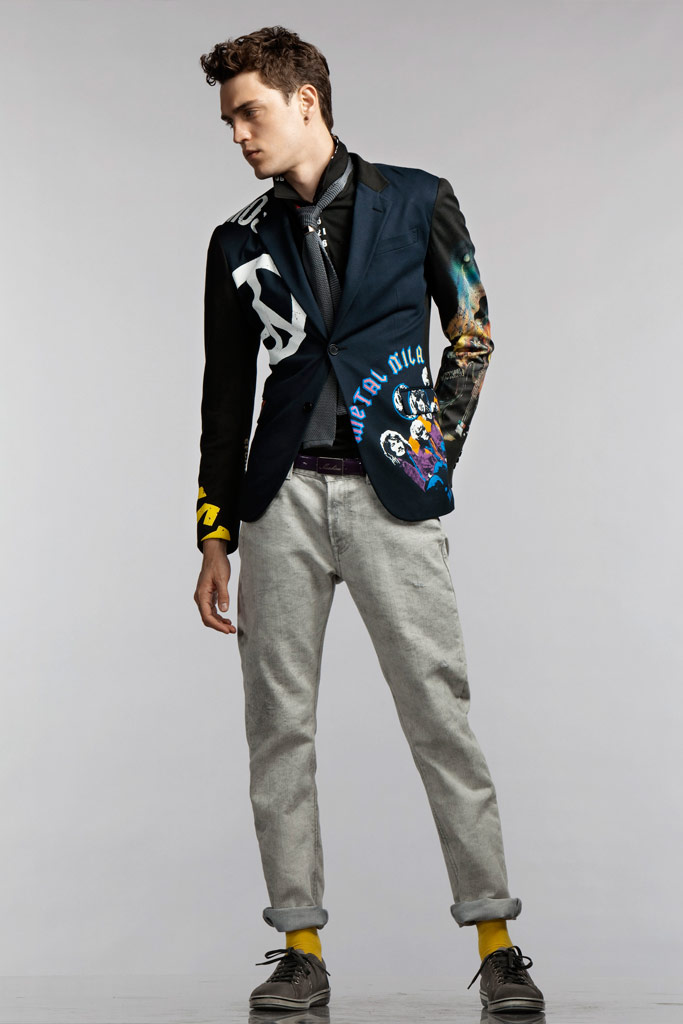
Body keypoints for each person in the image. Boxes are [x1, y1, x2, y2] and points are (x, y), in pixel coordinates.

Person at [193, 25, 545, 1015]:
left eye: (248, 113)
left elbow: (471, 332)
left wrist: (431, 451)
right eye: (228, 122)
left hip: (393, 497)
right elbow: (224, 395)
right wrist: (214, 532)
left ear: (305, 101)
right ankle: (299, 950)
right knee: (277, 730)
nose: (237, 135)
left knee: (439, 716)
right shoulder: (236, 241)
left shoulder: (418, 200)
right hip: (277, 504)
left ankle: (497, 942)